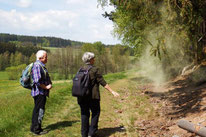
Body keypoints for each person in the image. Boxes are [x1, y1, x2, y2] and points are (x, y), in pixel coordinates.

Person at [78, 52, 119, 137]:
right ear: (90, 60)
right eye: (93, 58)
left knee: (84, 114)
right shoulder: (95, 69)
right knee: (95, 113)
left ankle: (84, 134)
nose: (94, 59)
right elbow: (102, 82)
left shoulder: (80, 69)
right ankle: (92, 133)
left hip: (82, 96)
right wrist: (112, 91)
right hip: (93, 97)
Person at [30, 50, 52, 135]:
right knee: (39, 111)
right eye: (45, 57)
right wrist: (46, 87)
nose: (47, 58)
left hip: (40, 92)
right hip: (39, 92)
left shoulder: (40, 66)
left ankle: (34, 128)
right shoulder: (37, 66)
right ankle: (37, 130)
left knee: (37, 110)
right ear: (40, 58)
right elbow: (37, 81)